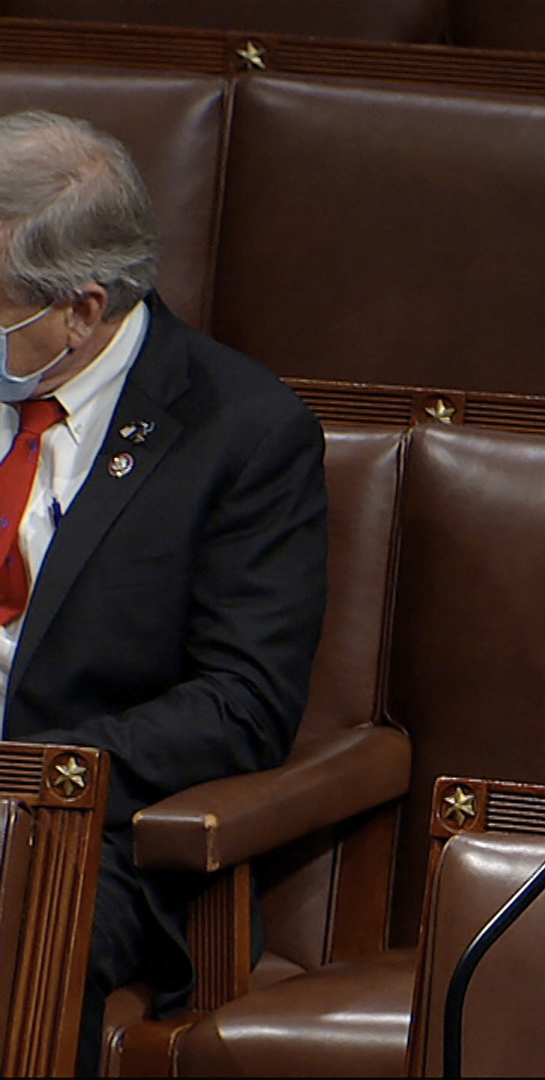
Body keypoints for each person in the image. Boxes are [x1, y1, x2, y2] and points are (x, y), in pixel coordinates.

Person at [0, 110, 328, 1074]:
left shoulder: (244, 434)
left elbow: (242, 706)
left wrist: (24, 771)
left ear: (82, 311)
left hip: (82, 840)